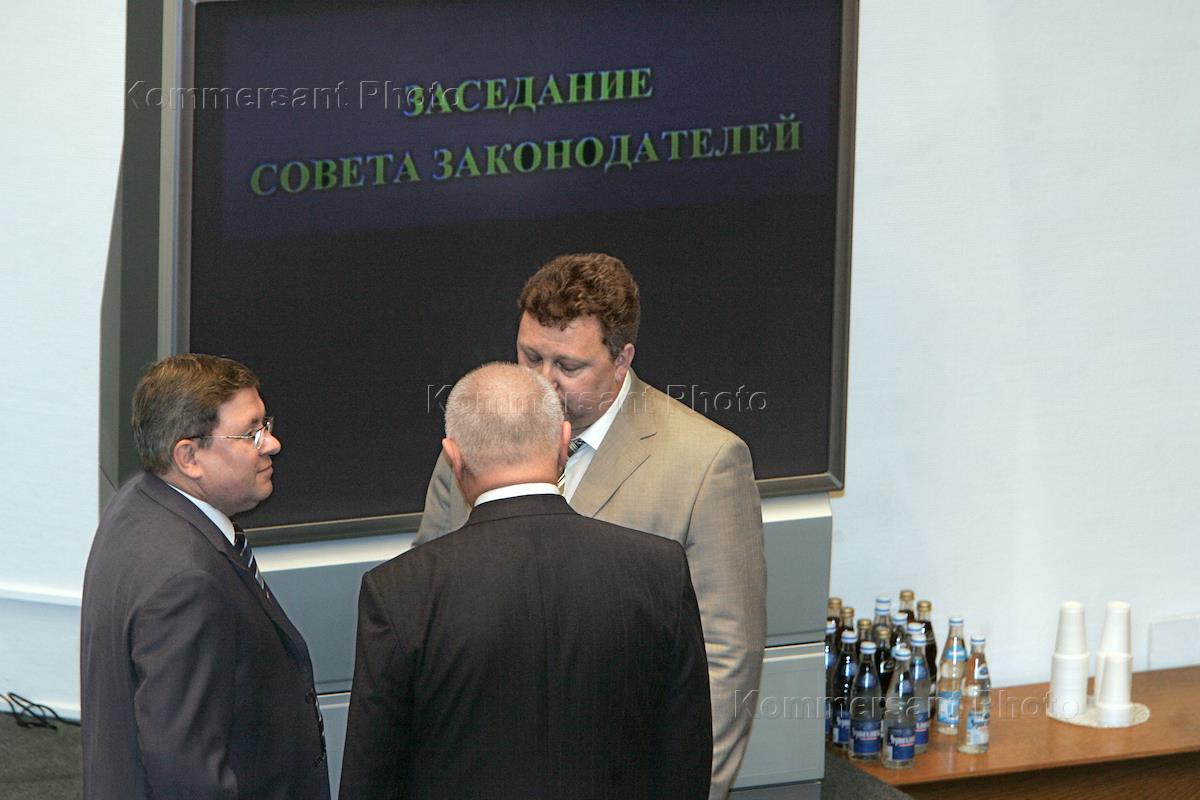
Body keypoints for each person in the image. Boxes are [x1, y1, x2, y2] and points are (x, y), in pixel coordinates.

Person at [416, 253, 766, 798]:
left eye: (568, 366)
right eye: (530, 356)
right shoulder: (477, 440)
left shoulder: (707, 464)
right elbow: (425, 611)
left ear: (622, 359)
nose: (542, 383)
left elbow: (725, 662)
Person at [340, 363, 712, 799]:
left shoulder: (400, 592)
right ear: (562, 443)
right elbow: (685, 759)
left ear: (454, 456)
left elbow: (373, 775)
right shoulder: (660, 570)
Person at [80, 354, 329, 800]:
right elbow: (186, 772)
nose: (272, 444)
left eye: (265, 424)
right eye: (251, 433)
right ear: (189, 457)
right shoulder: (187, 581)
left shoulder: (136, 503)